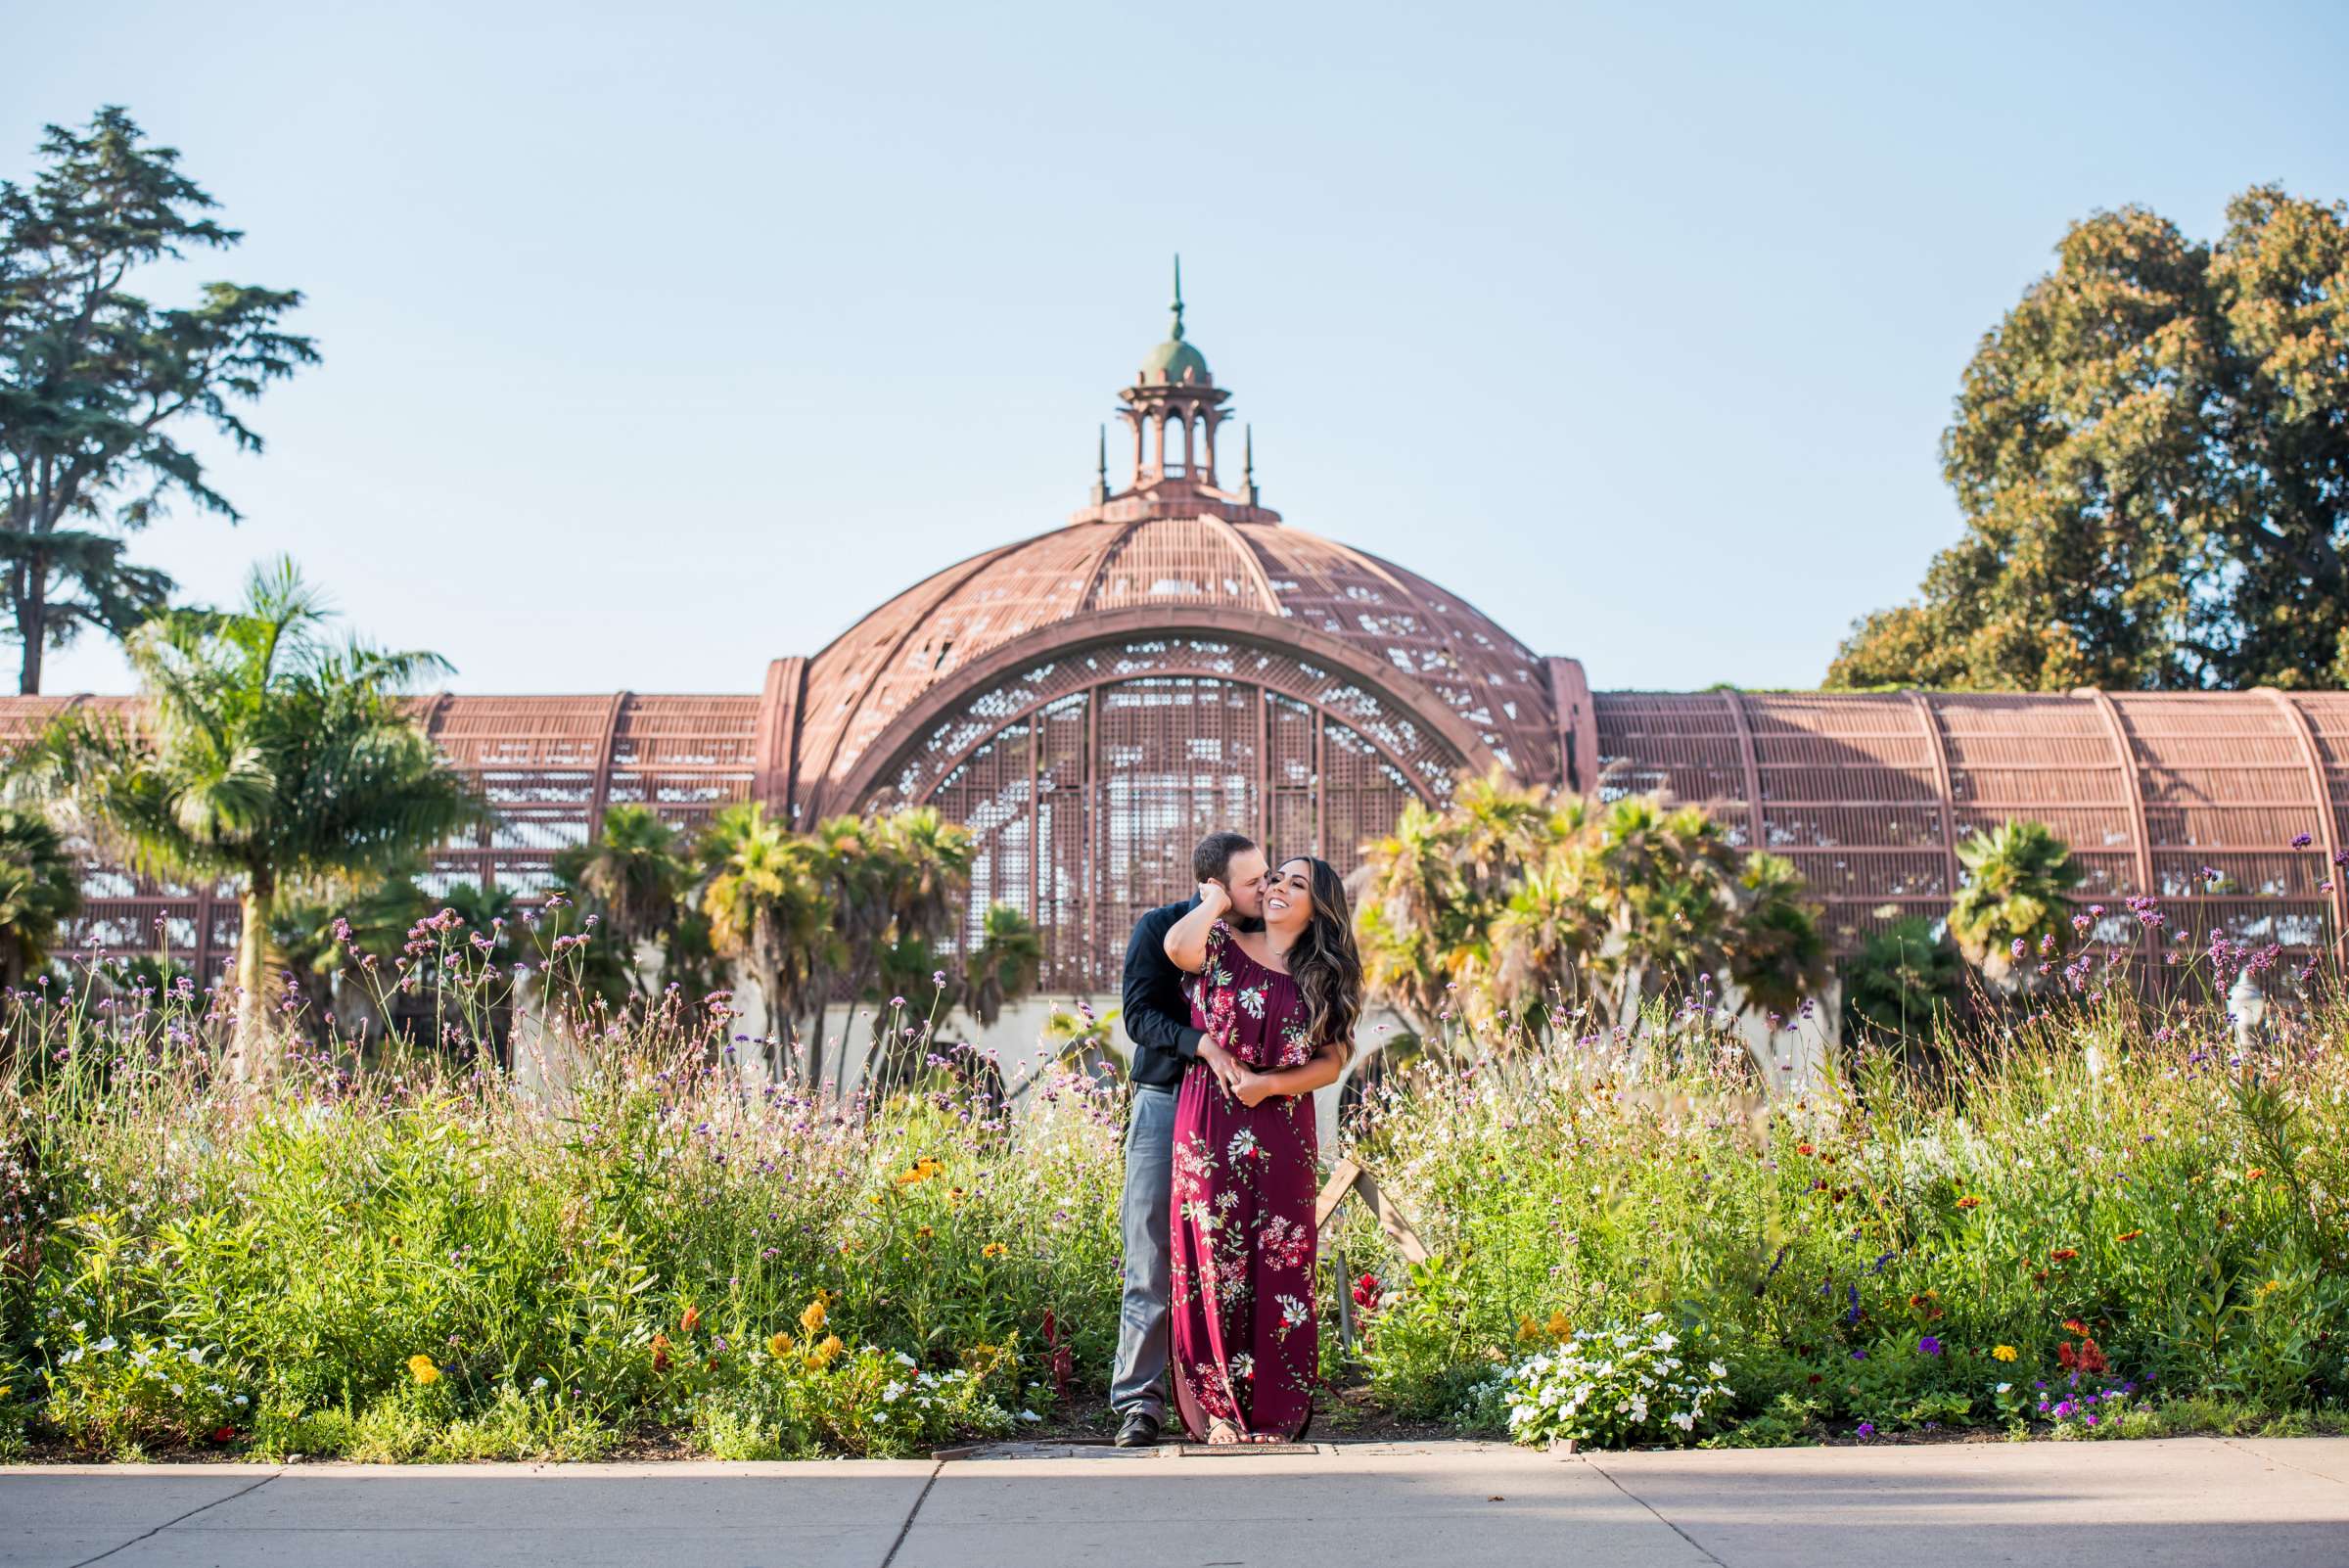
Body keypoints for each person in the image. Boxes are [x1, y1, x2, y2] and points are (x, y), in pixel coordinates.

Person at [1161, 854, 1361, 1444]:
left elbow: (1331, 1062)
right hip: (1208, 1125)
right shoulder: (1220, 943)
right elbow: (1177, 947)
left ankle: (1275, 1414)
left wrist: (1269, 1084)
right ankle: (1216, 1410)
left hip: (1282, 1130)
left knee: (1279, 1264)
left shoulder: (1324, 975)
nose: (1277, 888)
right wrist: (1218, 900)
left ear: (1317, 906)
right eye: (1275, 878)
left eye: (1295, 884)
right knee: (1210, 1261)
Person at [1109, 831, 1267, 1449]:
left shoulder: (1266, 937)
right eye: (1251, 880)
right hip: (1164, 1102)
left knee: (1231, 1254)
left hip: (1235, 1113)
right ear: (1215, 887)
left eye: (1266, 875)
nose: (1266, 887)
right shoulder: (1162, 928)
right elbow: (1140, 1016)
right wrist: (1201, 1044)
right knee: (1149, 1250)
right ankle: (1139, 1404)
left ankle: (1229, 1398)